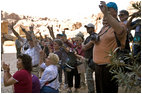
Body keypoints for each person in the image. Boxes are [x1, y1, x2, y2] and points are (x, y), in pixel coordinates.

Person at [93, 1, 127, 93]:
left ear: (115, 12)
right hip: (99, 67)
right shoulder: (104, 27)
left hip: (109, 67)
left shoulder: (120, 25)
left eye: (108, 10)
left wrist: (106, 14)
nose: (105, 12)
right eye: (105, 9)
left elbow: (119, 31)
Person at [82, 23, 95, 93]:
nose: (87, 29)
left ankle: (91, 91)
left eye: (89, 28)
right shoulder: (88, 37)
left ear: (93, 28)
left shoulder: (94, 36)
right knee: (88, 77)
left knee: (89, 76)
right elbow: (83, 47)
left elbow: (85, 47)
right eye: (87, 28)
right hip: (88, 59)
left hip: (93, 59)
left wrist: (84, 46)